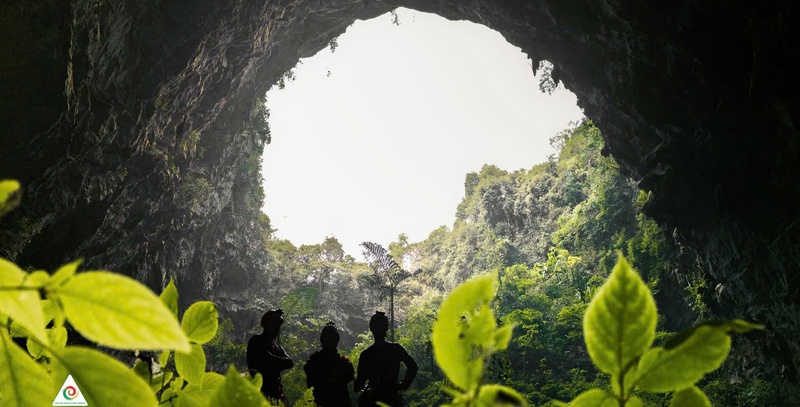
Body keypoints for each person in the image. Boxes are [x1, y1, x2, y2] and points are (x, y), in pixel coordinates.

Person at [354, 311, 417, 407]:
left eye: (380, 326)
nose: (378, 329)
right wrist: (402, 385)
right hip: (379, 398)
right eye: (377, 326)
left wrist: (402, 385)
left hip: (384, 397)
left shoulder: (368, 354)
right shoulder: (394, 349)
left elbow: (413, 367)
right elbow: (412, 366)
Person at [247, 309, 294, 404]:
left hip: (276, 392)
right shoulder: (257, 341)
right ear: (266, 324)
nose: (276, 327)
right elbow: (267, 359)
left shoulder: (277, 347)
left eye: (278, 325)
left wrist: (274, 362)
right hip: (261, 390)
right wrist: (278, 362)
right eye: (274, 324)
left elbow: (290, 362)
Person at [304, 322, 356, 406]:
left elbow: (349, 376)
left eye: (333, 338)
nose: (330, 340)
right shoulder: (314, 361)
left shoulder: (344, 362)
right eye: (328, 337)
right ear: (323, 339)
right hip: (320, 401)